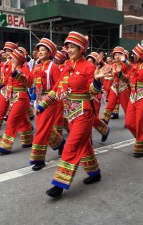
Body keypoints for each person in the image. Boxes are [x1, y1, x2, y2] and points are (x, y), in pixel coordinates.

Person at [36, 31, 111, 197]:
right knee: (84, 146)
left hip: (84, 114)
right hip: (70, 113)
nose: (69, 50)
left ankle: (59, 184)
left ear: (81, 48)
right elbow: (57, 90)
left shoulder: (88, 67)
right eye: (68, 47)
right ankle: (94, 173)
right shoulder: (67, 67)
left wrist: (97, 81)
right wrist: (42, 105)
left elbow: (92, 91)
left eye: (73, 47)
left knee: (71, 146)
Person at [29, 38, 64, 170]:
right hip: (38, 100)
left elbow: (58, 86)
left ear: (50, 53)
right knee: (45, 129)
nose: (40, 52)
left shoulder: (53, 67)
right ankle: (61, 143)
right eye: (39, 50)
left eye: (44, 50)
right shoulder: (37, 66)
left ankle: (38, 159)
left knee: (41, 130)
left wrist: (48, 100)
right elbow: (33, 84)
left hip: (50, 101)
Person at [0, 49, 34, 154]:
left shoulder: (24, 69)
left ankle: (5, 145)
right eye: (11, 58)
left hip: (21, 98)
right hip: (13, 97)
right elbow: (5, 80)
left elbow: (29, 83)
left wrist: (17, 74)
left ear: (18, 60)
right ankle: (28, 139)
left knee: (12, 119)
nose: (10, 59)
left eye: (13, 58)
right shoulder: (11, 67)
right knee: (23, 119)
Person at [101, 46, 129, 125]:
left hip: (123, 87)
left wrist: (120, 74)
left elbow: (129, 77)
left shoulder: (125, 65)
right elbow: (107, 72)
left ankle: (129, 122)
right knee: (110, 104)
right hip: (114, 87)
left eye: (119, 54)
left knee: (126, 106)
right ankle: (104, 122)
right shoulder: (112, 65)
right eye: (115, 55)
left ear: (122, 55)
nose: (117, 56)